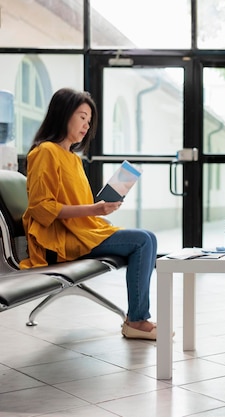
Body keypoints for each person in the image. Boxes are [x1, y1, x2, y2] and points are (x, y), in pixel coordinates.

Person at [20, 88, 159, 341]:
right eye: (82, 116)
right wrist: (94, 209)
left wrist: (101, 207)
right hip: (59, 240)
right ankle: (137, 320)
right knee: (143, 240)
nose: (86, 125)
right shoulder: (45, 152)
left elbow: (80, 206)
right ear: (63, 115)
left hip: (81, 232)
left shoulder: (73, 158)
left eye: (89, 120)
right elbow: (41, 207)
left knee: (147, 236)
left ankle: (137, 318)